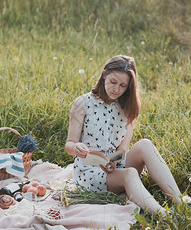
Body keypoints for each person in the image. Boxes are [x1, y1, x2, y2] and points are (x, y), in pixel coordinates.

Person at [65, 55, 183, 217]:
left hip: (113, 168)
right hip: (89, 172)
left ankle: (180, 202)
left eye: (122, 85)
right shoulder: (83, 103)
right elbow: (69, 145)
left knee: (145, 144)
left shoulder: (127, 107)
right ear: (104, 74)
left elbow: (123, 149)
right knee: (130, 174)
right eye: (113, 82)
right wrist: (76, 147)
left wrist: (115, 159)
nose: (116, 89)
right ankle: (164, 215)